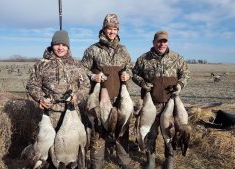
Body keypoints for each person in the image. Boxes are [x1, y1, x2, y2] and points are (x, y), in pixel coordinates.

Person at [132, 30, 190, 169]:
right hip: (151, 104)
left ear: (167, 42)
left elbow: (186, 74)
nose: (161, 44)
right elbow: (133, 74)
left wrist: (180, 85)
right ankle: (150, 159)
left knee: (169, 133)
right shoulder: (143, 59)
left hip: (171, 103)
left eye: (164, 41)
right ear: (153, 42)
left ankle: (169, 158)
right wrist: (142, 83)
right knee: (150, 133)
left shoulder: (177, 58)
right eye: (159, 41)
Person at [81, 13, 133, 169]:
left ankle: (124, 161)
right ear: (103, 29)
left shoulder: (123, 50)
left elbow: (130, 67)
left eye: (115, 29)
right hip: (99, 98)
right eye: (109, 28)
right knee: (98, 131)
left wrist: (128, 74)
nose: (112, 32)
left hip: (120, 98)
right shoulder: (93, 50)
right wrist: (93, 76)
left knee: (122, 129)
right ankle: (97, 163)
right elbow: (81, 70)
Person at [26, 30, 90, 137]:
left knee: (71, 147)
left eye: (64, 45)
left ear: (68, 47)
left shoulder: (77, 64)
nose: (60, 48)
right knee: (49, 147)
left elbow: (86, 85)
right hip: (50, 114)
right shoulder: (42, 64)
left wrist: (77, 97)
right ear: (52, 45)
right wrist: (41, 98)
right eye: (57, 44)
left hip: (72, 112)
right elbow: (32, 85)